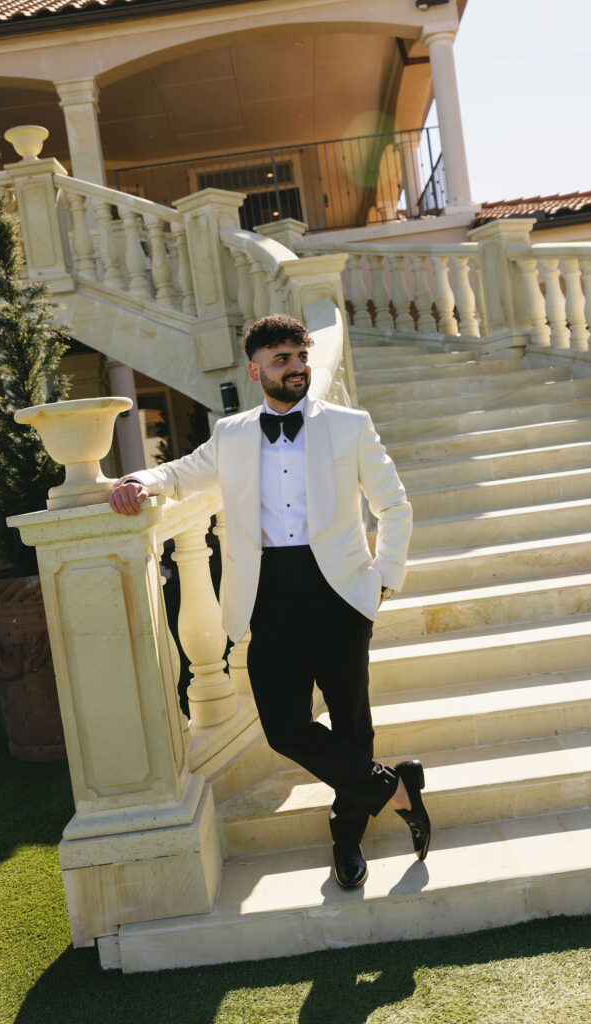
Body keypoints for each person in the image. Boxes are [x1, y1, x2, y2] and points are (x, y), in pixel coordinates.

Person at [109, 314, 431, 888]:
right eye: (281, 359)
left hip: (339, 595)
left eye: (301, 356)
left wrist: (385, 578)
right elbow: (182, 474)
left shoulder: (349, 426)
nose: (297, 367)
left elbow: (395, 506)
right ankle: (397, 787)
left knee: (352, 726)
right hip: (268, 598)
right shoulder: (232, 434)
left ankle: (347, 839)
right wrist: (139, 482)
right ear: (256, 370)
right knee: (284, 727)